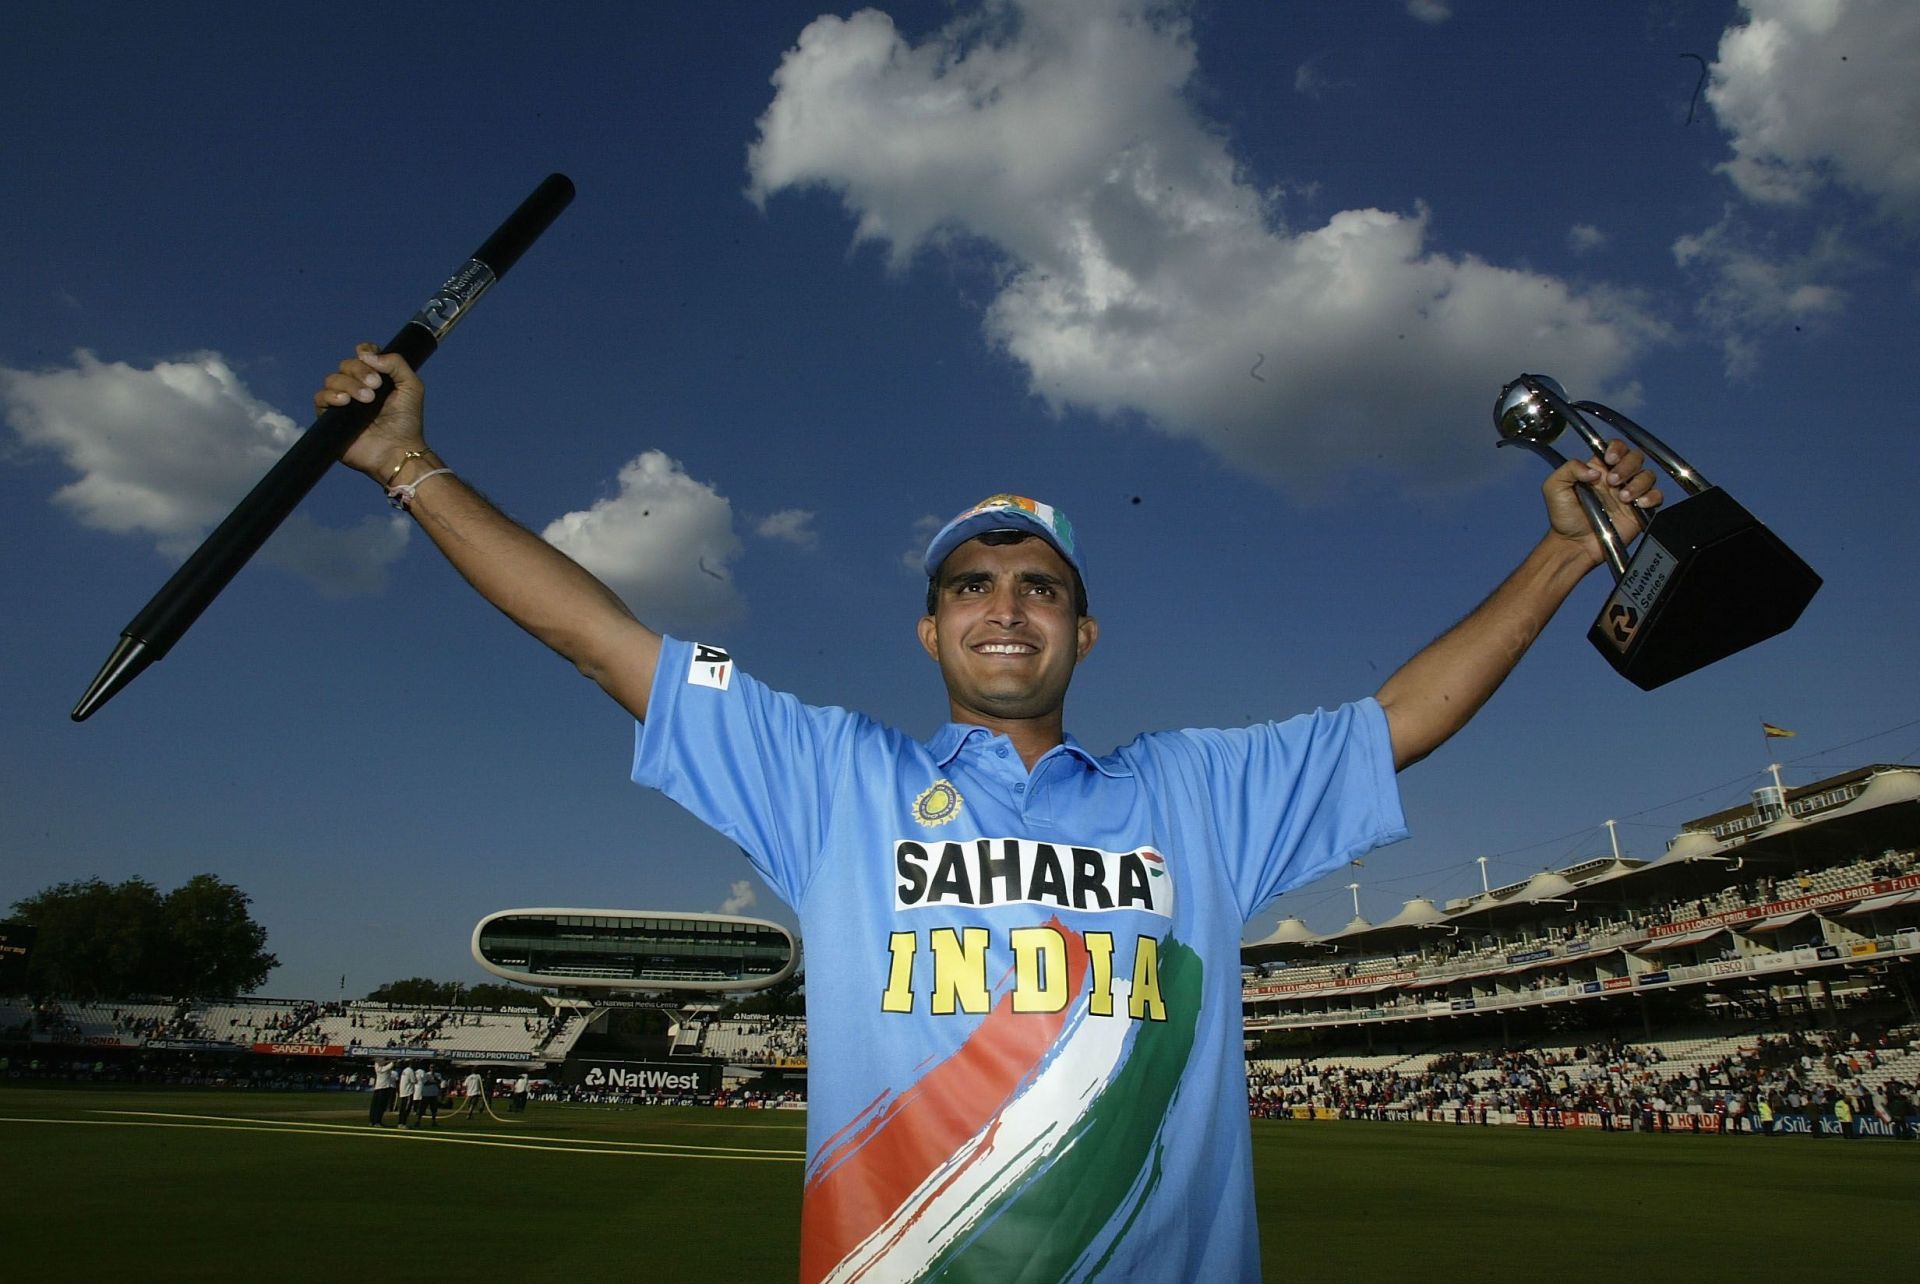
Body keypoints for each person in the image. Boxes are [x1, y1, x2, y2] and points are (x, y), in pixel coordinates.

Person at [315, 347, 1661, 1283]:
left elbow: (1400, 718)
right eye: (969, 583)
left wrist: (1558, 551)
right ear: (926, 627)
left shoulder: (1196, 787)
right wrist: (408, 463)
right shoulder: (824, 768)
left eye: (1036, 584)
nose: (1003, 604)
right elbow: (608, 639)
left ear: (1085, 627)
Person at [367, 1057, 397, 1127]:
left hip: (377, 1088)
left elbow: (379, 1063)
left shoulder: (377, 1067)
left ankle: (372, 1121)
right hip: (383, 1089)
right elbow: (391, 1064)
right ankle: (377, 1122)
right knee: (380, 1107)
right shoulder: (385, 1069)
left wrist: (387, 1061)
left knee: (374, 1106)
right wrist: (393, 1060)